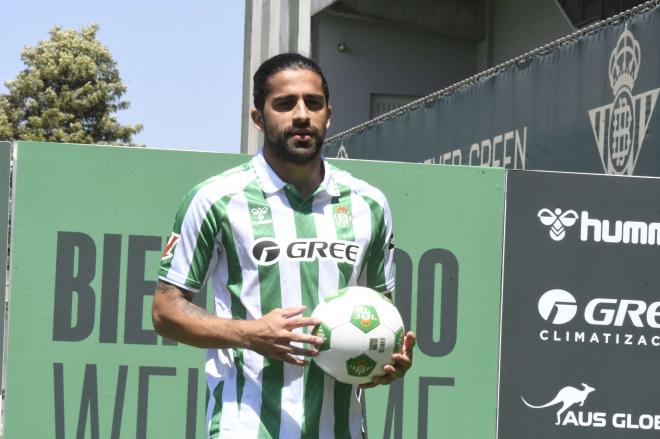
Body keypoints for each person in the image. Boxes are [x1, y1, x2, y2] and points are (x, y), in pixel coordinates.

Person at [152, 53, 416, 438]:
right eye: (284, 103)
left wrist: (388, 359)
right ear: (258, 117)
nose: (301, 115)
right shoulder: (216, 198)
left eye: (313, 103)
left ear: (329, 114)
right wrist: (250, 333)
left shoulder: (368, 203)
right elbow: (165, 310)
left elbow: (380, 311)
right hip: (244, 427)